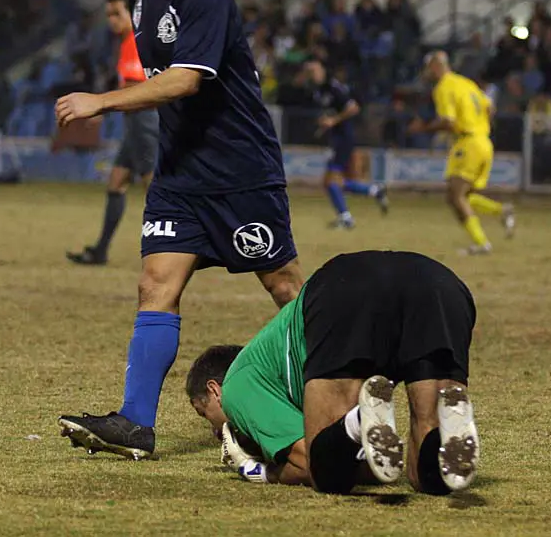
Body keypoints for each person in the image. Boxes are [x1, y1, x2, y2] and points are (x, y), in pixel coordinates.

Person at [55, 0, 305, 459]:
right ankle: (136, 425)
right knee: (155, 286)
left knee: (286, 287)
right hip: (180, 175)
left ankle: (337, 395)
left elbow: (188, 79)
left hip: (238, 169)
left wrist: (102, 100)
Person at [187, 250, 479, 495]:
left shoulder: (237, 386)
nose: (214, 431)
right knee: (426, 476)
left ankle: (356, 422)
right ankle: (445, 426)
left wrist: (259, 471)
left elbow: (308, 466)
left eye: (205, 414)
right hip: (438, 283)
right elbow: (378, 471)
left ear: (215, 390)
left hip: (347, 287)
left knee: (327, 473)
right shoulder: (271, 365)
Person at [66, 0, 159, 265]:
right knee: (116, 182)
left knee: (155, 190)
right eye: (108, 15)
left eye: (117, 14)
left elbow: (134, 88)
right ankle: (101, 251)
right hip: (135, 123)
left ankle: (169, 253)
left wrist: (101, 107)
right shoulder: (127, 42)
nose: (112, 21)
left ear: (132, 14)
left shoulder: (134, 43)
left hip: (144, 121)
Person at [410, 51, 515, 254]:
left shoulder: (443, 87)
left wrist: (422, 128)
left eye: (427, 68)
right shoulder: (466, 83)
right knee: (464, 195)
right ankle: (502, 211)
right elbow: (490, 108)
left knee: (455, 196)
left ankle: (482, 243)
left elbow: (447, 121)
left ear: (434, 66)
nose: (426, 73)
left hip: (467, 142)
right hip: (483, 141)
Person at [303, 58, 388, 228]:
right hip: (337, 138)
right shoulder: (317, 91)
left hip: (344, 138)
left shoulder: (333, 87)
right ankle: (374, 191)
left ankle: (346, 218)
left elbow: (353, 108)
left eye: (314, 70)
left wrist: (333, 121)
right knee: (333, 182)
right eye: (309, 72)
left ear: (322, 71)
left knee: (331, 181)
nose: (312, 74)